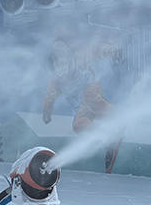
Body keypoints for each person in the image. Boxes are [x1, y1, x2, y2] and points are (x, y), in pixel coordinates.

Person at [42, 38, 121, 173]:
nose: (63, 69)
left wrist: (112, 51)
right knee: (78, 125)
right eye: (58, 67)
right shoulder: (55, 83)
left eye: (64, 63)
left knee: (92, 99)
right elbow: (49, 98)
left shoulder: (79, 61)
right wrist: (46, 112)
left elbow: (96, 51)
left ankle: (117, 118)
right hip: (82, 107)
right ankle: (108, 138)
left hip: (91, 92)